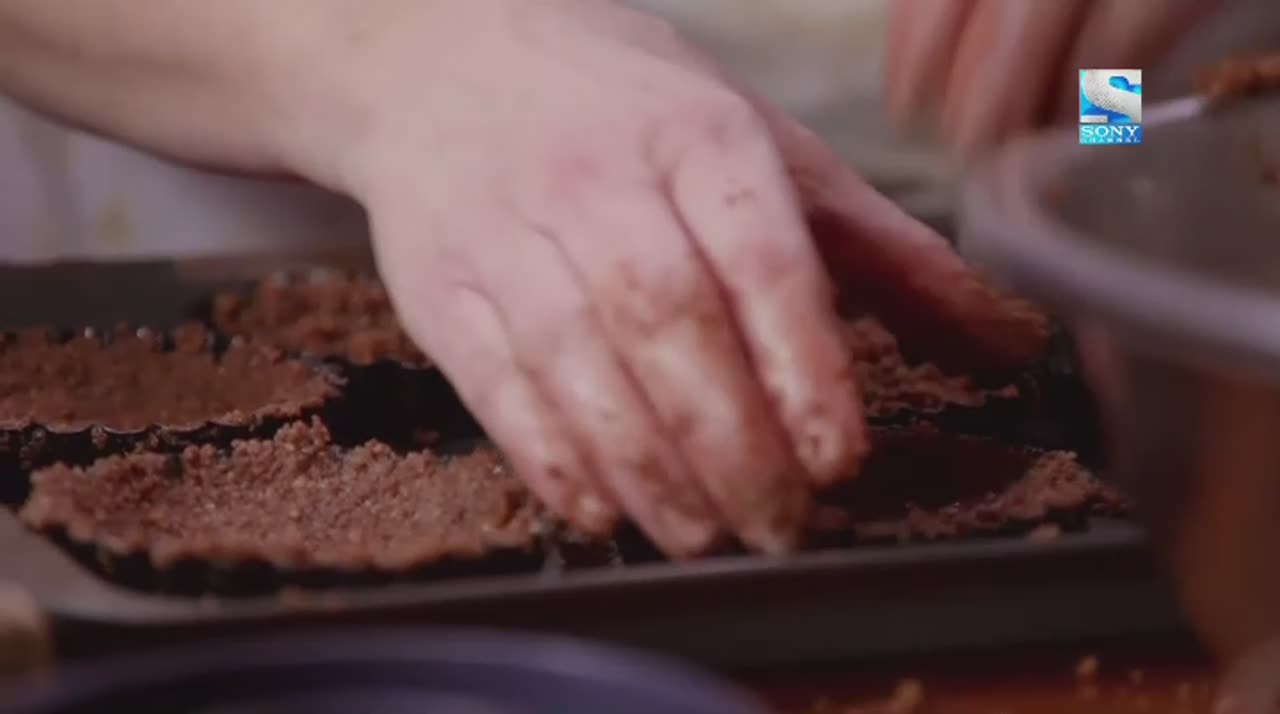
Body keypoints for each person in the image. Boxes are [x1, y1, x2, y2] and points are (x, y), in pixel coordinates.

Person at [0, 0, 1200, 558]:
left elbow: (1120, 112)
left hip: (1109, 182)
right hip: (286, 162)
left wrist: (1114, 117)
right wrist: (391, 52)